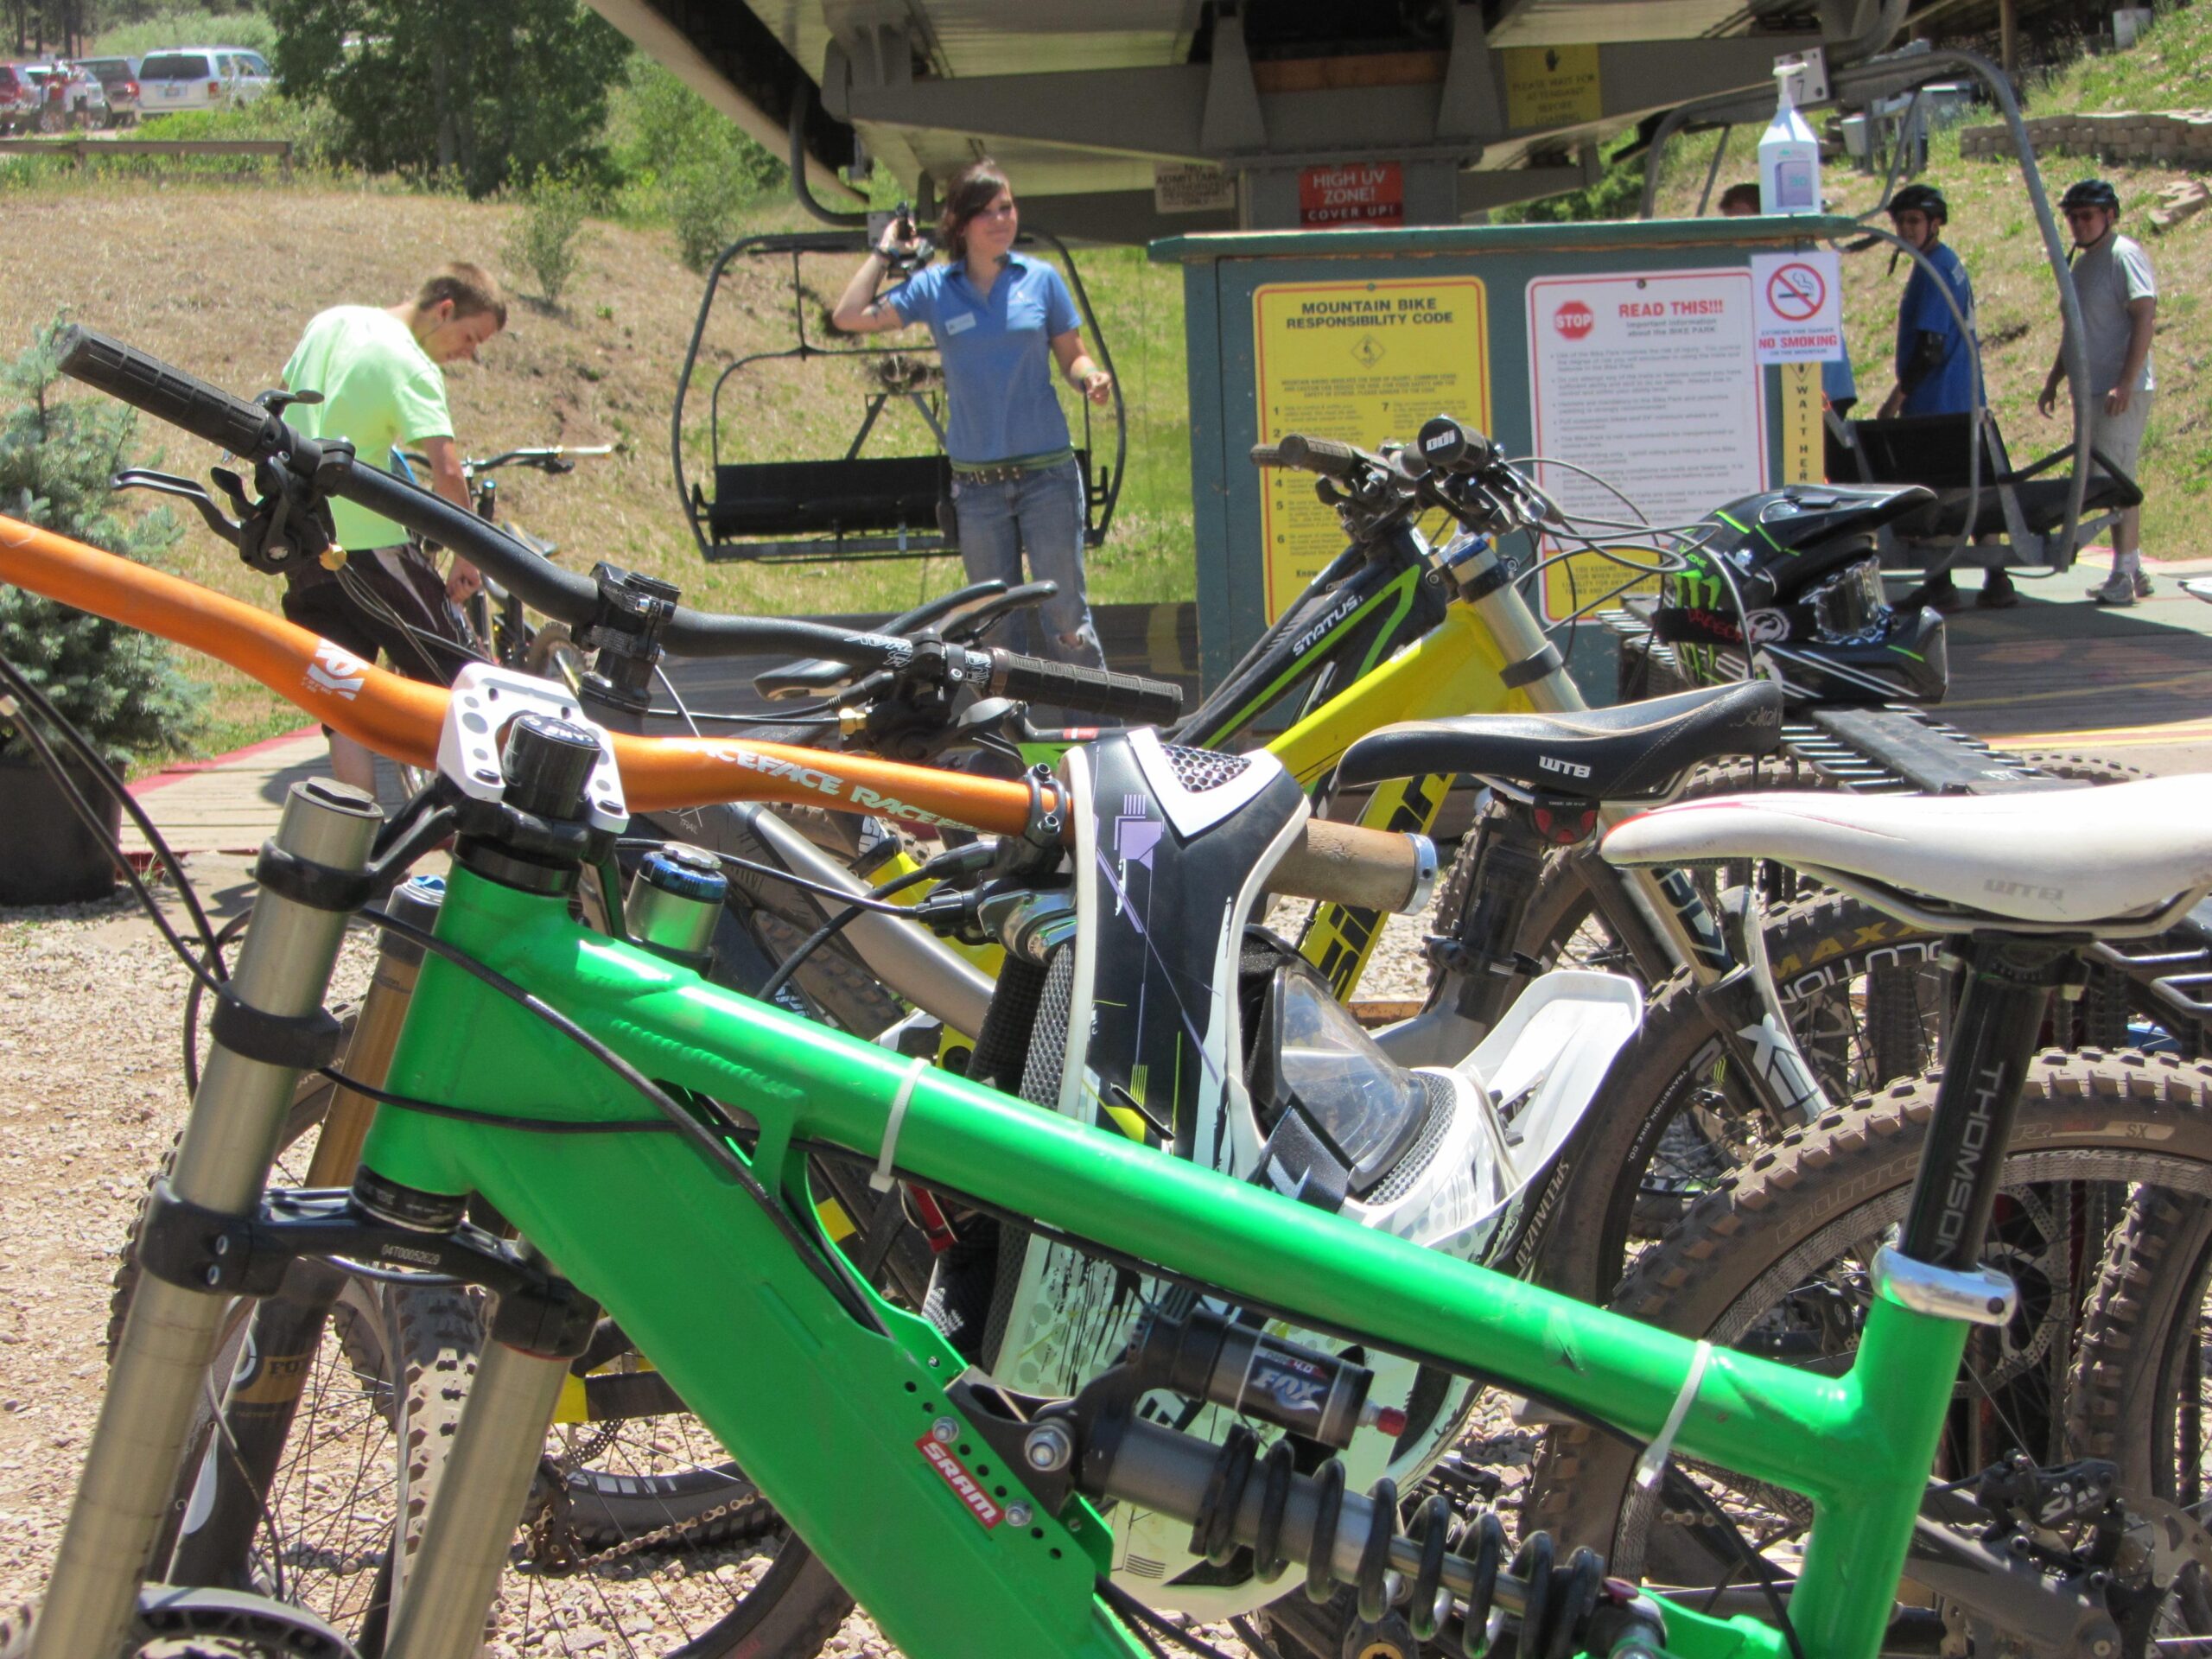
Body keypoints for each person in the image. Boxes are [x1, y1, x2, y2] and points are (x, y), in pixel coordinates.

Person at [832, 159, 1113, 671]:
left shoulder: (1041, 280)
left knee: (1067, 621)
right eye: (987, 212)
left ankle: (1097, 740)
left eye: (1007, 207)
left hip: (1047, 478)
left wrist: (1089, 377)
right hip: (978, 490)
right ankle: (1006, 745)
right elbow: (848, 316)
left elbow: (1072, 354)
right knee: (993, 635)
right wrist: (885, 250)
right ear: (960, 225)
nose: (1002, 219)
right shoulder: (935, 289)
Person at [278, 262, 507, 791]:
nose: (469, 353)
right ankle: (485, 830)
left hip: (304, 543)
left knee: (343, 697)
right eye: (470, 337)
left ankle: (355, 837)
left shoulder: (328, 323)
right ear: (444, 309)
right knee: (469, 683)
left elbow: (286, 399)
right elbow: (447, 471)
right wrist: (467, 556)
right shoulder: (409, 362)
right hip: (372, 546)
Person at [1870, 183, 2012, 611]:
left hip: (1939, 401)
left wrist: (1896, 399)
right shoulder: (1944, 264)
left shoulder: (1933, 268)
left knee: (1938, 495)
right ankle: (1997, 579)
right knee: (1976, 488)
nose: (1906, 229)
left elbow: (1930, 348)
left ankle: (1941, 584)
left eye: (1914, 221)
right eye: (1901, 222)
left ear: (1935, 224)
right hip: (1964, 397)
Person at [2038, 178, 2159, 607]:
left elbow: (2145, 316)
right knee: (2105, 481)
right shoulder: (2084, 261)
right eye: (2072, 217)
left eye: (2087, 215)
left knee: (2114, 481)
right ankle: (2132, 567)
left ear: (2110, 215)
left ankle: (2124, 573)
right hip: (2090, 389)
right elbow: (2076, 326)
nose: (2078, 224)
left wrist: (2125, 381)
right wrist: (2055, 377)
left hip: (2116, 388)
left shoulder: (2123, 255)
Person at [1720, 180, 1857, 417]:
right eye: (1730, 226)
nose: (1736, 235)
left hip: (1821, 393)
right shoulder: (1758, 265)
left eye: (1743, 223)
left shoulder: (1793, 260)